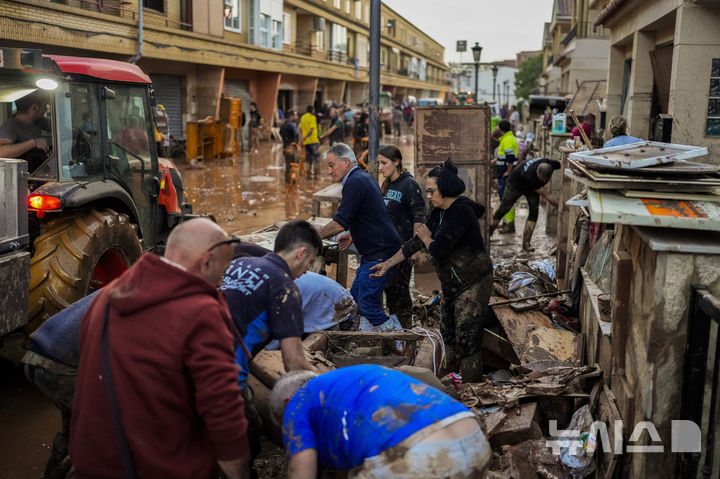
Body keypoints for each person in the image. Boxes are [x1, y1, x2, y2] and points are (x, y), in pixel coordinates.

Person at [70, 218, 250, 479]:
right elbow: (224, 412)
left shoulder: (107, 297)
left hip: (94, 463)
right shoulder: (201, 312)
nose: (219, 285)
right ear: (207, 261)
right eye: (220, 275)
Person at [370, 160, 492, 381]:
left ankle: (472, 387)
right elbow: (414, 243)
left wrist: (426, 237)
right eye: (426, 191)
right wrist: (387, 264)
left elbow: (437, 249)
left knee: (468, 335)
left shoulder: (461, 212)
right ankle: (451, 379)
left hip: (473, 282)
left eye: (431, 191)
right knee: (447, 332)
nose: (428, 195)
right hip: (453, 284)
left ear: (445, 189)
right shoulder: (439, 211)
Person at [221, 219, 322, 471]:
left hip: (188, 358)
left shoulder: (239, 263)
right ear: (301, 253)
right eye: (309, 263)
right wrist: (324, 387)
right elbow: (294, 363)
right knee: (248, 436)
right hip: (222, 375)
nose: (306, 271)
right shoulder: (285, 287)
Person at [270, 366, 491, 478]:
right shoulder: (350, 380)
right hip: (474, 439)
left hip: (419, 457)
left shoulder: (297, 403)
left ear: (287, 402)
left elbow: (302, 468)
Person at [317, 143, 402, 331]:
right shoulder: (362, 177)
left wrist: (311, 237)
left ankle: (400, 340)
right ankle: (364, 337)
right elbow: (369, 214)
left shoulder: (355, 182)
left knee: (368, 306)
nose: (330, 171)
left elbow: (339, 222)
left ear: (345, 162)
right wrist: (352, 235)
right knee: (352, 302)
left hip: (379, 252)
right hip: (375, 249)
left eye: (332, 165)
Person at [22, 290, 101, 479]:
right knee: (103, 432)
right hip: (61, 367)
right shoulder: (143, 303)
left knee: (73, 429)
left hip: (36, 356)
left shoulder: (122, 288)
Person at [378, 145, 425, 328]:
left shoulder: (409, 184)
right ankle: (394, 331)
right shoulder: (388, 184)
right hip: (388, 249)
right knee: (389, 290)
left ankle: (405, 332)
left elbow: (419, 216)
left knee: (400, 292)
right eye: (379, 163)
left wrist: (415, 248)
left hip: (403, 248)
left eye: (384, 163)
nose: (380, 167)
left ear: (396, 162)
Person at [490, 157, 561, 251]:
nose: (544, 181)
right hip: (515, 185)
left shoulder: (550, 163)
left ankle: (526, 244)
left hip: (531, 187)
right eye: (542, 179)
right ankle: (489, 232)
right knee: (504, 208)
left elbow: (562, 163)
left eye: (546, 179)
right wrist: (561, 206)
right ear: (537, 173)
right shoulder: (530, 176)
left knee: (534, 211)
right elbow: (546, 195)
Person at [0, 89, 50, 170]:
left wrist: (74, 132)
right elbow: (1, 152)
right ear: (35, 107)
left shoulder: (40, 120)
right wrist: (34, 142)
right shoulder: (11, 126)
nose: (46, 109)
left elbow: (57, 128)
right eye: (44, 106)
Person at [494, 119, 519, 233]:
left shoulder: (507, 140)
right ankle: (506, 222)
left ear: (501, 129)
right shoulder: (507, 138)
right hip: (503, 171)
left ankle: (509, 225)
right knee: (504, 198)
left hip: (505, 173)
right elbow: (503, 156)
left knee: (506, 199)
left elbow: (510, 158)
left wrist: (508, 171)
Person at [299, 105, 320, 178]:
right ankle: (316, 175)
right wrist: (305, 137)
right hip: (313, 141)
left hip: (306, 142)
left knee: (308, 158)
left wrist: (302, 138)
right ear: (313, 110)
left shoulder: (303, 117)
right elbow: (311, 130)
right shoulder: (312, 117)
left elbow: (300, 128)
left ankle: (308, 175)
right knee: (316, 158)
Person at [280, 109, 300, 183]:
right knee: (294, 164)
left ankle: (288, 181)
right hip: (291, 147)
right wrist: (295, 144)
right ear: (291, 116)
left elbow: (280, 132)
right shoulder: (292, 125)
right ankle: (293, 182)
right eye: (295, 115)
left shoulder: (284, 124)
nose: (296, 117)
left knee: (288, 165)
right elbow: (296, 134)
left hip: (285, 147)